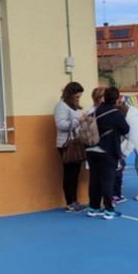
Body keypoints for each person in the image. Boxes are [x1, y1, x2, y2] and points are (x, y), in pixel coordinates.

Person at [84, 86, 129, 220]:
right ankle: (109, 210)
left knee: (94, 180)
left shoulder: (94, 110)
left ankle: (93, 208)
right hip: (107, 150)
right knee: (107, 180)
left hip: (91, 149)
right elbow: (126, 129)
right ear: (116, 99)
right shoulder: (116, 113)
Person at [55, 82, 87, 212]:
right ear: (70, 94)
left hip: (76, 143)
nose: (78, 98)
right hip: (66, 144)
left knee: (75, 174)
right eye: (77, 96)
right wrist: (78, 121)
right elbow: (61, 125)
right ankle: (70, 203)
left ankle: (74, 201)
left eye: (79, 97)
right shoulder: (61, 106)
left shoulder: (74, 106)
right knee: (69, 174)